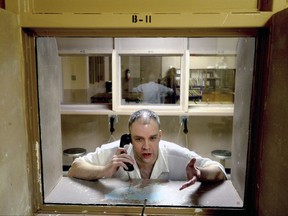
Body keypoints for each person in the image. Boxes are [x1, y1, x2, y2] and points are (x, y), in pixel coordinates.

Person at [68, 109, 227, 190]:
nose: (146, 146)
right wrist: (104, 170)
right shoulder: (116, 152)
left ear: (160, 136)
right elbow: (74, 168)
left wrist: (200, 173)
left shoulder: (175, 154)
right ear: (129, 138)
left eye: (152, 138)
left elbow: (219, 170)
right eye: (138, 139)